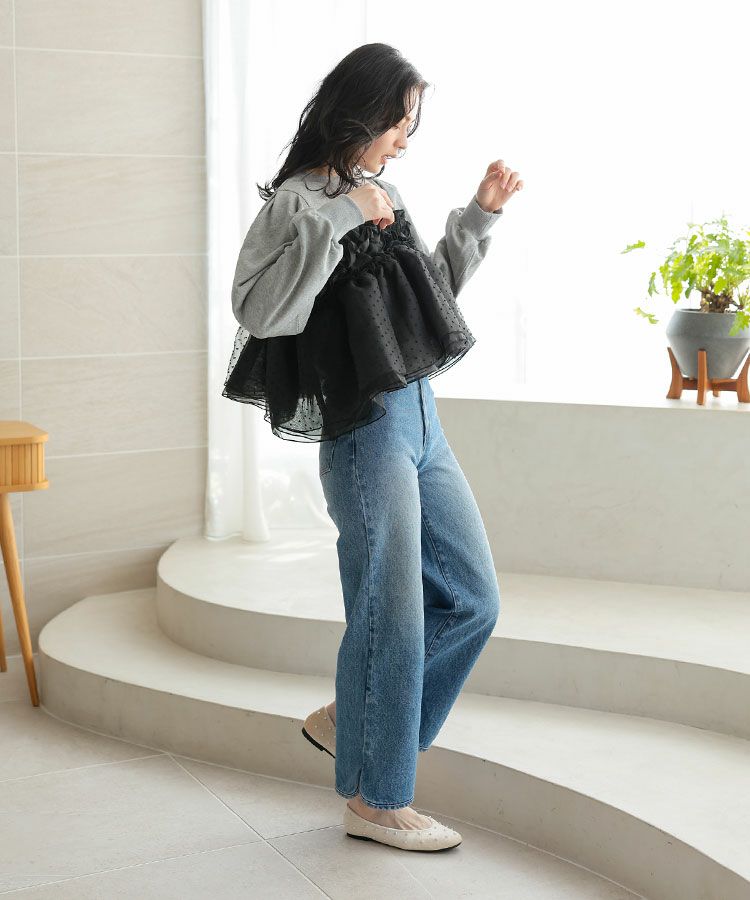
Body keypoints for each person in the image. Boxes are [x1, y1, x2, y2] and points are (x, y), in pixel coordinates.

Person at [224, 42, 523, 852]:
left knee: (473, 601)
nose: (404, 141)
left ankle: (350, 727)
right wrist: (339, 216)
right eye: (400, 123)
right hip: (364, 434)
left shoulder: (384, 191)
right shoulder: (298, 202)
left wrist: (479, 216)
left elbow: (428, 298)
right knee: (391, 616)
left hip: (423, 422)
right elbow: (258, 310)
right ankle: (377, 799)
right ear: (362, 112)